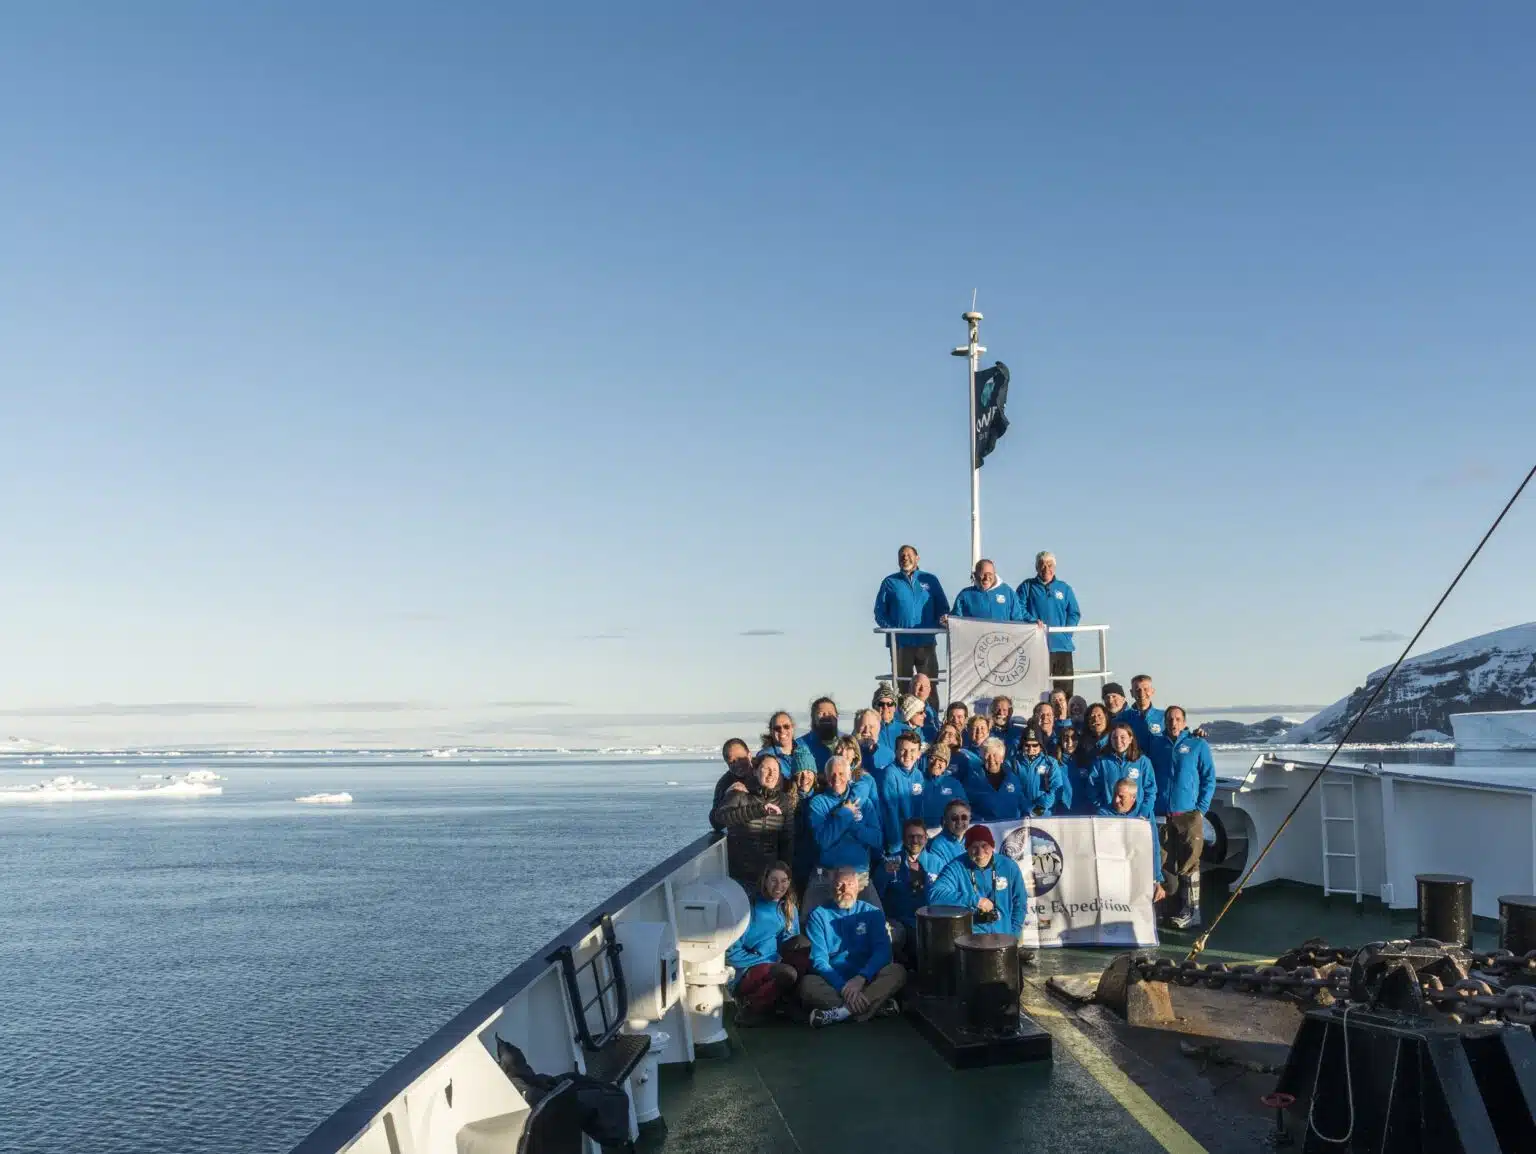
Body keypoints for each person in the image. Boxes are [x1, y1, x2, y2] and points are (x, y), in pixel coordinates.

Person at [801, 865, 908, 1027]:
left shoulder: (873, 913)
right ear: (832, 887)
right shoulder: (818, 916)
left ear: (859, 887)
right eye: (840, 885)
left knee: (897, 971)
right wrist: (843, 987)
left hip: (867, 980)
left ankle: (841, 1013)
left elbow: (883, 951)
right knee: (807, 984)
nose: (845, 889)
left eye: (850, 884)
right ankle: (873, 1007)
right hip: (834, 983)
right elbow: (818, 960)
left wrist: (861, 978)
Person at [1149, 706, 1216, 929]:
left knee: (1189, 862)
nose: (1173, 723)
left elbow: (1208, 778)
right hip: (1161, 814)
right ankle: (1165, 910)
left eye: (1178, 719)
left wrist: (1200, 809)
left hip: (1188, 815)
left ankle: (1192, 911)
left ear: (1184, 722)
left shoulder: (1197, 745)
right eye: (1170, 719)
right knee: (1164, 862)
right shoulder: (1156, 744)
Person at [725, 861, 803, 1026]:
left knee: (803, 946)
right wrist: (768, 960)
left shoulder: (788, 908)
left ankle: (786, 1002)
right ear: (765, 880)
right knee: (787, 973)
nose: (778, 886)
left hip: (775, 963)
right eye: (773, 880)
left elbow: (790, 942)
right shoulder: (749, 908)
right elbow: (731, 953)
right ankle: (749, 1008)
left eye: (784, 881)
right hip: (747, 970)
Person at [805, 756, 883, 914]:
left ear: (849, 776)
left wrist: (851, 824)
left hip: (859, 874)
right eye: (832, 774)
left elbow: (877, 839)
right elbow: (824, 840)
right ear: (826, 777)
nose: (836, 779)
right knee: (809, 918)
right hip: (827, 874)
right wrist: (846, 813)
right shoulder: (818, 803)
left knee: (877, 919)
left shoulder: (864, 803)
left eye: (841, 774)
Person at [873, 545, 950, 695]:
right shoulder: (890, 582)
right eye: (901, 555)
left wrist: (939, 623)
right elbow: (879, 612)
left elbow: (943, 608)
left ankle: (931, 717)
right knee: (903, 687)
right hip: (901, 644)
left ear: (917, 558)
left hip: (926, 642)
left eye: (908, 554)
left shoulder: (930, 580)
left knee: (929, 686)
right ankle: (903, 717)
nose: (905, 557)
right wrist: (893, 630)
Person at [710, 753, 797, 887]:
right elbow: (721, 818)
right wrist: (759, 810)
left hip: (770, 877)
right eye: (766, 769)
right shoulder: (739, 794)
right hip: (741, 874)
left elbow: (787, 840)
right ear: (755, 771)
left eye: (775, 770)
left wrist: (786, 873)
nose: (771, 774)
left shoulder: (783, 801)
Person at [929, 825, 1028, 937]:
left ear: (992, 846)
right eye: (974, 847)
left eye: (984, 845)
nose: (980, 853)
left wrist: (1013, 934)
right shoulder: (956, 867)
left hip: (1004, 939)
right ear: (967, 848)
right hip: (971, 941)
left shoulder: (1008, 866)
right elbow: (935, 895)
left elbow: (1020, 903)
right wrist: (975, 901)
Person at [875, 818, 946, 964]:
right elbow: (877, 893)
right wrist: (885, 876)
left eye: (919, 836)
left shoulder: (936, 863)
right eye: (910, 836)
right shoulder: (890, 861)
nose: (915, 840)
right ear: (903, 839)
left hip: (930, 920)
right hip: (899, 920)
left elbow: (945, 893)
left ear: (926, 839)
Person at [1017, 551, 1081, 695]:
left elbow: (1074, 612)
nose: (1046, 569)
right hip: (1036, 645)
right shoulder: (1027, 586)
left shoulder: (1064, 588)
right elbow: (1018, 609)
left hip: (1061, 647)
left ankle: (1066, 716)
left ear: (1055, 567)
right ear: (1036, 568)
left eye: (1049, 565)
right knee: (1035, 689)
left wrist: (1066, 633)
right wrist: (1031, 621)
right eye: (1042, 565)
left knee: (1064, 690)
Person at [1108, 778, 1166, 904]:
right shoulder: (1104, 813)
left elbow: (1153, 847)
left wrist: (1156, 880)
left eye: (1121, 797)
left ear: (1133, 797)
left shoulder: (1144, 815)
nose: (1116, 800)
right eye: (1115, 795)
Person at [1087, 722, 1157, 820]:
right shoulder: (1101, 761)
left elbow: (1150, 791)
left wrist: (1143, 812)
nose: (1118, 741)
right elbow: (1092, 789)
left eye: (1123, 737)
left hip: (1138, 818)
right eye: (1114, 738)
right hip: (1110, 818)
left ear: (1130, 739)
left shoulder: (1143, 762)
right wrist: (1103, 809)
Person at [877, 731, 927, 855]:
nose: (907, 754)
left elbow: (919, 809)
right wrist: (896, 846)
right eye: (903, 749)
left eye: (912, 750)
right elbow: (891, 812)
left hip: (913, 841)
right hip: (897, 841)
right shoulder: (890, 774)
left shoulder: (918, 775)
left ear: (919, 754)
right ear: (896, 751)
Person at [961, 736, 1028, 823]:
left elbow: (1021, 799)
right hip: (985, 830)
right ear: (982, 757)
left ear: (1002, 758)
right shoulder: (972, 779)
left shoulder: (1012, 778)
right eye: (988, 754)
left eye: (995, 755)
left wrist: (1026, 813)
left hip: (1009, 829)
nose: (991, 759)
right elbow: (964, 805)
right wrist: (977, 819)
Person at [948, 558, 1029, 622]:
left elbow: (1018, 620)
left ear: (994, 574)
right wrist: (947, 621)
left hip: (1002, 641)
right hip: (974, 642)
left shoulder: (1008, 593)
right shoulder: (965, 595)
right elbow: (955, 619)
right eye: (983, 574)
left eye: (990, 574)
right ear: (975, 575)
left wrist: (1034, 623)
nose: (986, 578)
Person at [1016, 731, 1065, 816]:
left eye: (1035, 745)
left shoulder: (1050, 762)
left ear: (1041, 746)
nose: (1031, 749)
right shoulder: (1015, 762)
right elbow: (1013, 789)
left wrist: (1038, 810)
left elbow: (1056, 787)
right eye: (1027, 745)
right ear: (1022, 745)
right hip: (1020, 814)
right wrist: (1026, 808)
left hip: (1044, 815)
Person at [918, 743, 965, 831]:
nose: (936, 763)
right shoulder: (917, 779)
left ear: (946, 764)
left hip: (943, 831)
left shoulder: (954, 784)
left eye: (941, 760)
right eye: (932, 758)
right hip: (919, 830)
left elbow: (963, 809)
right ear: (927, 760)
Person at [711, 738, 754, 828]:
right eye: (732, 762)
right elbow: (715, 823)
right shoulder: (724, 783)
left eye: (740, 759)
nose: (737, 764)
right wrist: (727, 797)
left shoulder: (765, 771)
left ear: (749, 755)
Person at [851, 708, 893, 785]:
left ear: (878, 729)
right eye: (863, 726)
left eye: (871, 727)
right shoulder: (849, 754)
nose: (866, 731)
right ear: (856, 728)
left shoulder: (889, 755)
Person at [928, 799, 972, 867]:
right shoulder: (937, 846)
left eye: (964, 817)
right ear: (945, 820)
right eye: (954, 818)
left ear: (969, 819)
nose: (959, 822)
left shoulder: (974, 841)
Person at [803, 696, 842, 772]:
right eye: (820, 713)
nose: (826, 715)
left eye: (830, 713)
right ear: (813, 718)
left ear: (837, 716)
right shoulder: (801, 744)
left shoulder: (847, 742)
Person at [1126, 674, 1166, 748]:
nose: (1141, 693)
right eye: (1138, 690)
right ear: (1131, 693)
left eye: (1145, 689)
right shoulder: (1123, 718)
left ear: (1152, 691)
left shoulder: (1164, 717)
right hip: (1134, 759)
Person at [910, 673, 942, 740]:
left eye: (926, 686)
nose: (922, 689)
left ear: (930, 690)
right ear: (910, 687)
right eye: (918, 685)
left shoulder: (932, 712)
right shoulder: (899, 710)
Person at [1053, 728, 1079, 811]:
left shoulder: (1085, 762)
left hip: (1084, 814)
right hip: (1061, 814)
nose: (1070, 742)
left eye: (1073, 738)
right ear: (1061, 741)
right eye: (1066, 738)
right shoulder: (1054, 764)